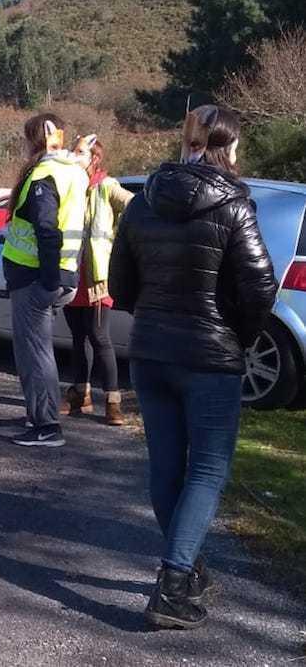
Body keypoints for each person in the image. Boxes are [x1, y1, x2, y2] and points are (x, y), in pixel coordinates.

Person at [109, 105, 277, 629]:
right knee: (207, 470)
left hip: (151, 352)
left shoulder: (142, 202)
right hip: (210, 357)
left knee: (166, 468)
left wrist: (155, 318)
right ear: (230, 149)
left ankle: (188, 570)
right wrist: (241, 338)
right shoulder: (234, 205)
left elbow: (119, 285)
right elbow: (260, 287)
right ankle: (174, 582)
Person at [3, 113, 89, 447]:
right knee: (39, 350)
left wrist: (49, 282)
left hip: (36, 278)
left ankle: (46, 425)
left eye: (27, 139)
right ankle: (40, 414)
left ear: (35, 141)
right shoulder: (73, 172)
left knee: (34, 352)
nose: (24, 146)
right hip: (60, 275)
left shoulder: (44, 174)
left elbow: (46, 229)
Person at [62, 135, 134, 426]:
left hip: (97, 276)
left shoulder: (106, 186)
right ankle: (82, 394)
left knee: (98, 336)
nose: (73, 156)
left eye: (80, 152)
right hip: (71, 272)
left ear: (94, 159)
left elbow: (134, 205)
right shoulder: (71, 185)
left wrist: (123, 246)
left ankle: (113, 402)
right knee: (78, 338)